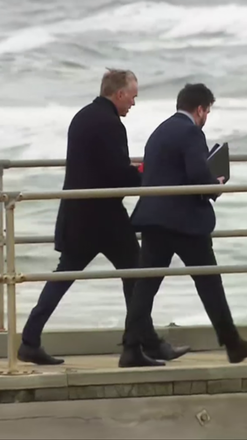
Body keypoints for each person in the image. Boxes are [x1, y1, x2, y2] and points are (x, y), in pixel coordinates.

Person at [18, 69, 189, 366]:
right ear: (119, 93)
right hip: (104, 218)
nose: (133, 104)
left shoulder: (82, 117)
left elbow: (99, 166)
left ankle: (30, 340)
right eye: (132, 97)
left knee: (66, 276)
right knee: (137, 276)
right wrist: (148, 172)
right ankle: (137, 347)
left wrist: (133, 170)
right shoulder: (111, 124)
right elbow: (117, 175)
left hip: (77, 213)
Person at [118, 83, 247, 368]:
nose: (206, 117)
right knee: (209, 282)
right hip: (184, 222)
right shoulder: (191, 132)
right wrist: (216, 184)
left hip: (154, 218)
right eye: (207, 111)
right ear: (200, 109)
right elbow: (197, 176)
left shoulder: (160, 131)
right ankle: (233, 344)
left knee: (146, 287)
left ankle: (130, 349)